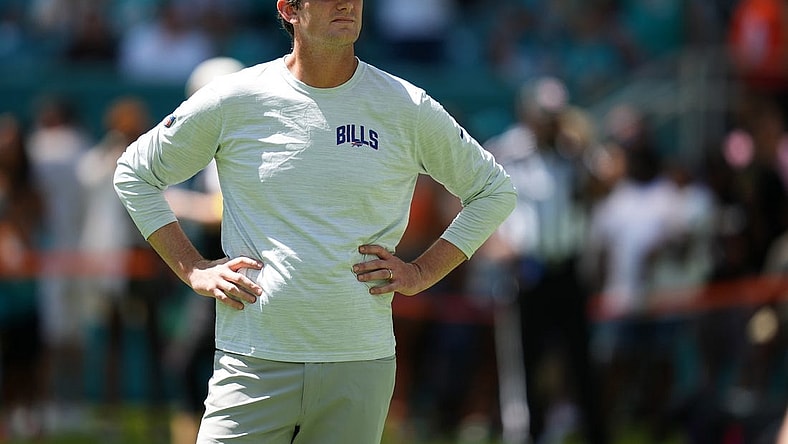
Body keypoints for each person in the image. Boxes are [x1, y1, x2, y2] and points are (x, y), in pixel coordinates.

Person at [113, 1, 517, 443]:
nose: (346, 4)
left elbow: (494, 191)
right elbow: (134, 173)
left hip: (358, 364)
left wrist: (423, 271)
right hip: (252, 362)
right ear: (289, 9)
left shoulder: (406, 105)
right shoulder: (235, 98)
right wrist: (193, 268)